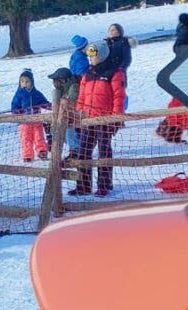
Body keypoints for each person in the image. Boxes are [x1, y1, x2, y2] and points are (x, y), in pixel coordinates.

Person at [71, 41, 126, 197]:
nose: (91, 59)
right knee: (83, 152)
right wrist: (78, 115)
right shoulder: (87, 74)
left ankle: (104, 184)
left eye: (93, 56)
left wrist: (116, 118)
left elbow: (119, 96)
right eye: (90, 56)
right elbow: (81, 98)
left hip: (105, 119)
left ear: (101, 55)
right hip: (88, 120)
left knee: (104, 151)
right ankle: (83, 185)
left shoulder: (114, 73)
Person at [11, 69, 50, 162]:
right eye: (22, 81)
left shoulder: (37, 94)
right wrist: (17, 112)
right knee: (26, 138)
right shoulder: (19, 94)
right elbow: (14, 106)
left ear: (32, 82)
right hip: (24, 122)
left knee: (39, 136)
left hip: (37, 120)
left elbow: (44, 102)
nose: (24, 83)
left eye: (27, 81)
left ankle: (42, 151)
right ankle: (27, 155)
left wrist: (50, 106)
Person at [48, 66, 81, 157]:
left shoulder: (74, 87)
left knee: (68, 127)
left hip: (76, 117)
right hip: (66, 116)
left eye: (56, 80)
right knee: (56, 126)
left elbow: (72, 104)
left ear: (64, 81)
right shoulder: (62, 90)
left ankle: (75, 150)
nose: (54, 83)